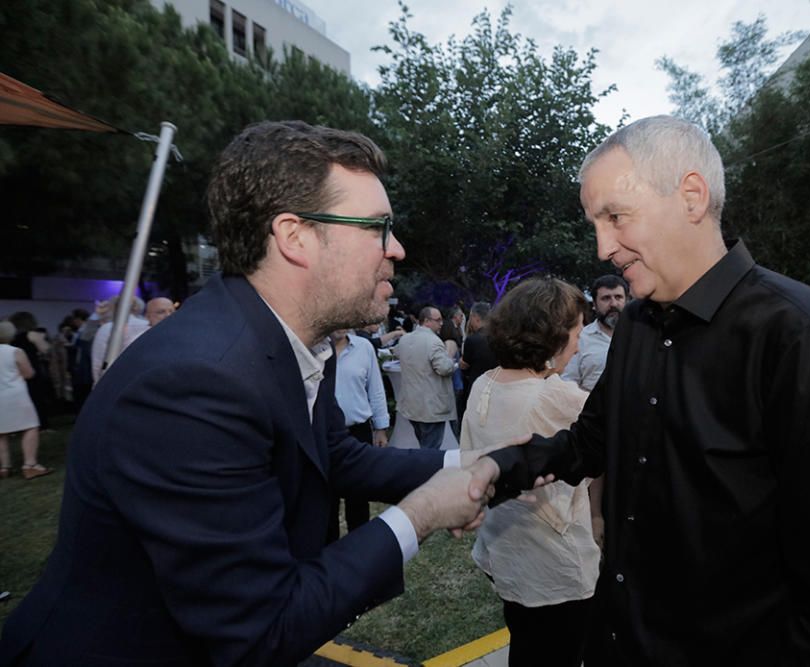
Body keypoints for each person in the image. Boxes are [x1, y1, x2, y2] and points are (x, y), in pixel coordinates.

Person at [0, 121, 496, 667]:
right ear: (295, 237)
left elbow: (334, 458)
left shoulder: (281, 342)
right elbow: (260, 629)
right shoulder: (196, 383)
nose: (396, 249)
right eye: (377, 227)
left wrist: (464, 462)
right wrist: (421, 513)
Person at [470, 115, 810, 665]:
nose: (602, 248)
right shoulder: (639, 327)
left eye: (616, 217)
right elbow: (590, 441)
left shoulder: (807, 337)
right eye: (595, 223)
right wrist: (498, 469)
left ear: (691, 196)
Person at [461, 278, 600, 667]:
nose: (579, 343)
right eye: (576, 332)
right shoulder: (556, 396)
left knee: (526, 647)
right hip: (556, 563)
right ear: (553, 336)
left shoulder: (484, 385)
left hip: (505, 553)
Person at [331, 328, 391, 536]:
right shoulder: (314, 349)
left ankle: (358, 545)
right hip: (324, 432)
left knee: (358, 493)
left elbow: (375, 389)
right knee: (327, 495)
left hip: (358, 431)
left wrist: (381, 428)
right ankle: (328, 548)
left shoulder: (363, 348)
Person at [394, 306, 458, 449]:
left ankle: (421, 469)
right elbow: (444, 368)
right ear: (427, 321)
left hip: (411, 405)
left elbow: (397, 354)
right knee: (430, 450)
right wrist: (450, 357)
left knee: (424, 444)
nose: (441, 323)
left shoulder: (404, 339)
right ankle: (426, 471)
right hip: (431, 408)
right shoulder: (433, 341)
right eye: (438, 320)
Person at [0, 321, 52, 480]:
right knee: (30, 426)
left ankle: (4, 467)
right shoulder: (15, 351)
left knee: (1, 433)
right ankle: (30, 465)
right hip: (16, 394)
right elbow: (29, 373)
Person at [562, 274, 628, 392]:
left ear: (627, 301)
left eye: (618, 297)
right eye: (606, 298)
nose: (613, 304)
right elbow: (567, 383)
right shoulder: (580, 338)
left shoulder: (641, 336)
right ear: (594, 305)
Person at [90, 295, 149, 383]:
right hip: (141, 381)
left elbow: (98, 362)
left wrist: (98, 383)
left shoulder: (107, 328)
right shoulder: (149, 327)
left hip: (113, 381)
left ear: (114, 307)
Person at [460, 301, 498, 391]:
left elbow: (464, 365)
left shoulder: (472, 340)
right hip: (497, 385)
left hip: (477, 386)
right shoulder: (499, 337)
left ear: (475, 317)